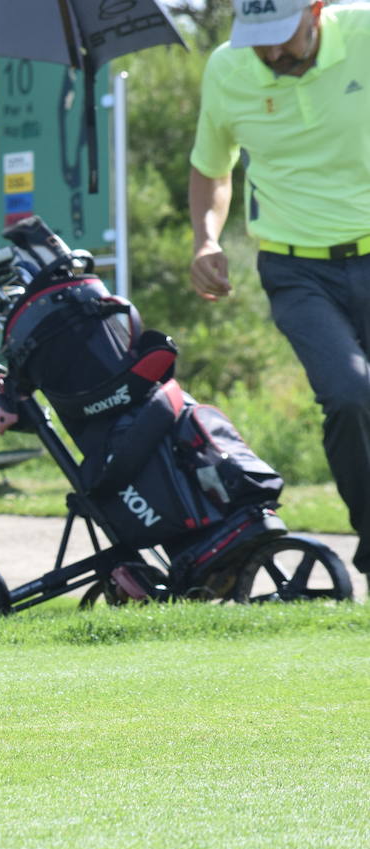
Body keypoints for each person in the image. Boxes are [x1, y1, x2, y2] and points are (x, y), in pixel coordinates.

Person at [189, 0, 370, 577]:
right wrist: (205, 239)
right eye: (256, 36)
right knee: (348, 395)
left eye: (281, 35)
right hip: (296, 269)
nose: (268, 52)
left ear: (316, 9)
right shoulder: (228, 68)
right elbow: (213, 165)